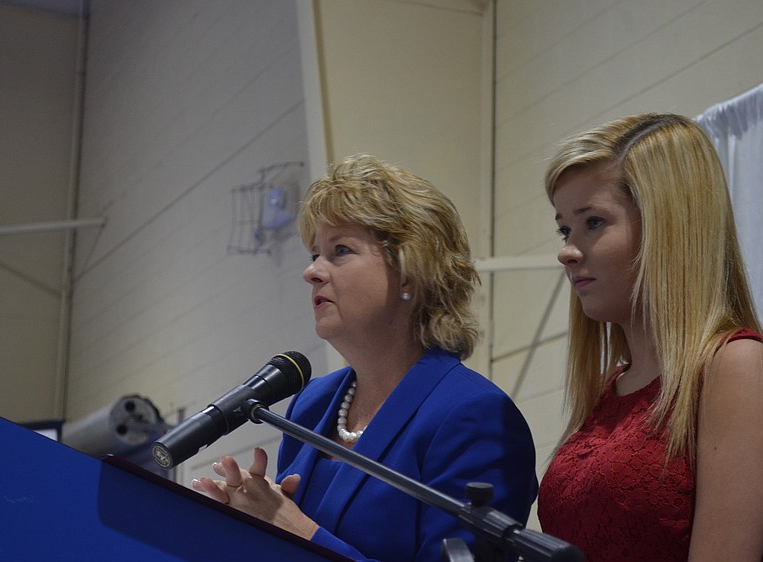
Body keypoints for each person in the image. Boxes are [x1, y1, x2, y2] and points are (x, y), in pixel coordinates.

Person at [193, 154, 538, 561]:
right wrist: (244, 525)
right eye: (313, 255)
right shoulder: (312, 402)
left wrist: (297, 530)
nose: (313, 272)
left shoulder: (474, 416)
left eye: (340, 250)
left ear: (410, 272)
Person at [537, 113, 763, 561]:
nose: (566, 251)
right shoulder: (609, 386)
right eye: (565, 228)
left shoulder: (737, 367)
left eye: (593, 223)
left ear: (669, 226)